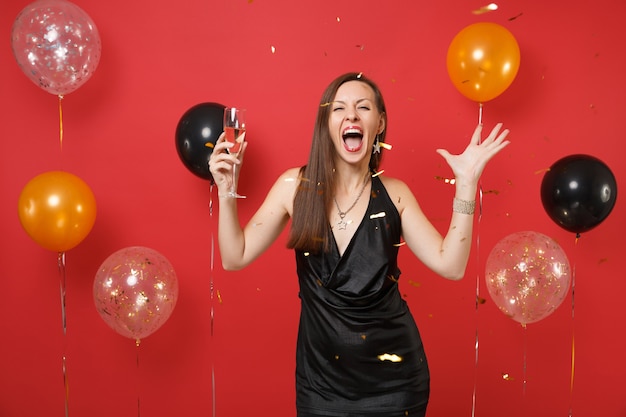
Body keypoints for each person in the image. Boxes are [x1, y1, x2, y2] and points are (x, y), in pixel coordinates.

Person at [208, 72, 510, 417]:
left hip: (395, 385)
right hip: (320, 386)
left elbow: (451, 265)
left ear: (378, 123)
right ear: (327, 122)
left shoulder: (395, 194)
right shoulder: (295, 186)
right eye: (339, 108)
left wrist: (467, 184)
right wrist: (226, 188)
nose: (351, 115)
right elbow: (235, 257)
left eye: (363, 107)